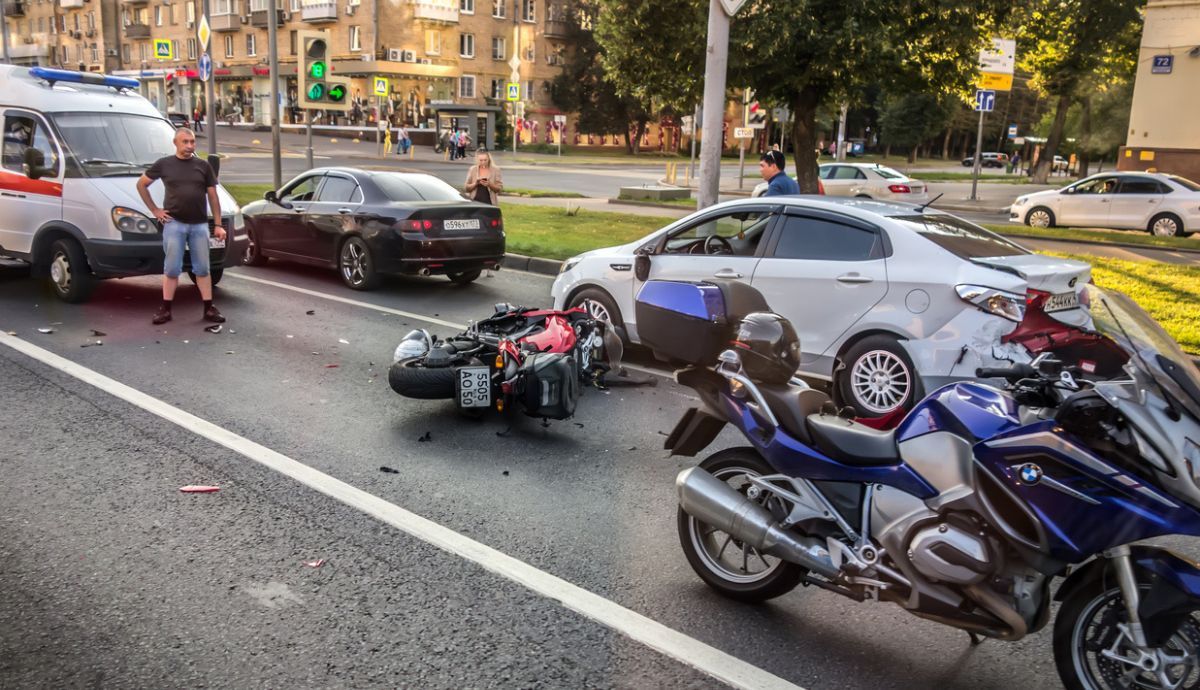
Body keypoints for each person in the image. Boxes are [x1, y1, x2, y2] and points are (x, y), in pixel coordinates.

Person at [136, 128, 226, 325]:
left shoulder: (203, 166)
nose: (189, 146)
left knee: (202, 268)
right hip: (174, 224)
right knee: (172, 269)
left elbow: (213, 196)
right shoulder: (164, 164)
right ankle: (166, 309)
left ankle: (208, 308)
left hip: (199, 225)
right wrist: (155, 210)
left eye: (192, 142)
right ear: (175, 143)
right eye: (185, 142)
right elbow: (141, 184)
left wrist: (218, 225)